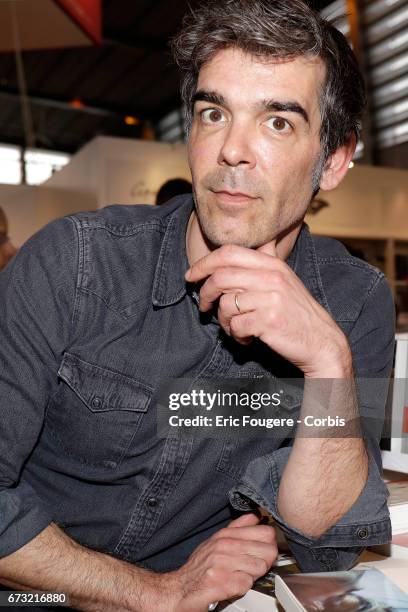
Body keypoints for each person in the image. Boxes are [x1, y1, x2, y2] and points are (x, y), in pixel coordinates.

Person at [0, 1, 395, 611]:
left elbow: (327, 543)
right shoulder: (74, 264)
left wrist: (327, 364)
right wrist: (152, 592)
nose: (232, 151)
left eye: (277, 123)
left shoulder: (355, 301)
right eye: (214, 113)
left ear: (335, 160)